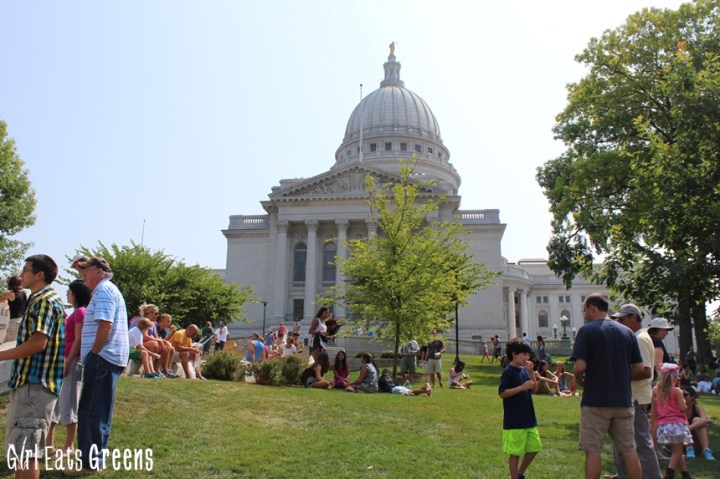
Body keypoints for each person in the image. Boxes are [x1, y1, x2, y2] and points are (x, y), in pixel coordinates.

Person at [0, 255, 64, 479]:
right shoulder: (41, 299)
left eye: (26, 270)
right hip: (31, 387)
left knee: (26, 454)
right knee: (24, 453)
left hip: (34, 388)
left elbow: (38, 343)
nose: (21, 274)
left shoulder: (43, 301)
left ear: (40, 274)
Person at [571, 293, 644, 479]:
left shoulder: (587, 331)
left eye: (584, 310)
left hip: (596, 401)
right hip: (623, 401)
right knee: (629, 450)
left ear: (592, 308)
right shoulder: (628, 332)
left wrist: (579, 379)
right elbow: (639, 368)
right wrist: (622, 378)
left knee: (593, 451)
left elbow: (580, 366)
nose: (584, 314)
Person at [75, 256, 130, 474]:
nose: (82, 276)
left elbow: (105, 325)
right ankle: (94, 459)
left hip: (102, 358)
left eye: (86, 271)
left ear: (98, 271)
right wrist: (81, 264)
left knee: (91, 411)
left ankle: (88, 463)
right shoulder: (106, 288)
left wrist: (93, 353)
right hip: (108, 358)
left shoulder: (104, 291)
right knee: (99, 411)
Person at [610, 303, 662, 479]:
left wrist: (617, 377)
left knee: (640, 444)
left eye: (622, 319)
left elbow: (645, 370)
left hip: (635, 398)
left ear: (634, 317)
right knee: (624, 443)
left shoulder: (639, 339)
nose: (620, 323)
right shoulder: (638, 337)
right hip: (632, 397)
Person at [46, 280, 91, 457]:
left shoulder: (81, 312)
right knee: (56, 402)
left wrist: (69, 360)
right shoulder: (75, 312)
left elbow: (79, 339)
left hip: (73, 361)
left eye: (69, 291)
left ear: (75, 293)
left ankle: (69, 446)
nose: (67, 294)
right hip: (65, 359)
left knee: (69, 402)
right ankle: (49, 443)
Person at [499, 337, 540, 479]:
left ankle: (519, 473)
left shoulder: (524, 369)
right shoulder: (508, 372)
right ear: (514, 354)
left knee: (535, 448)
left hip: (528, 417)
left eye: (528, 355)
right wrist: (521, 387)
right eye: (524, 354)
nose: (527, 357)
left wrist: (531, 372)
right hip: (514, 419)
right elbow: (502, 393)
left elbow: (534, 389)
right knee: (515, 452)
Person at [651, 363, 693, 479]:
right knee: (677, 451)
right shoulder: (677, 391)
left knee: (677, 449)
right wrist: (687, 402)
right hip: (677, 423)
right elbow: (683, 408)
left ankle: (685, 474)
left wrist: (652, 424)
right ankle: (669, 473)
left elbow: (654, 409)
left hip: (663, 424)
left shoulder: (656, 390)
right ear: (674, 377)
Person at [681, 386, 716, 461]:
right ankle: (689, 448)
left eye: (685, 395)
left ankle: (706, 450)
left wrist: (689, 428)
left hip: (698, 442)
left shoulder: (697, 408)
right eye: (680, 395)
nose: (682, 397)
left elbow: (704, 420)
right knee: (684, 420)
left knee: (696, 419)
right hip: (683, 443)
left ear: (692, 397)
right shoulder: (679, 409)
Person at [1, 274, 28, 343]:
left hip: (14, 322)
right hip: (23, 322)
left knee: (8, 347)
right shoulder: (24, 293)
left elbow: (1, 301)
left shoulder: (9, 293)